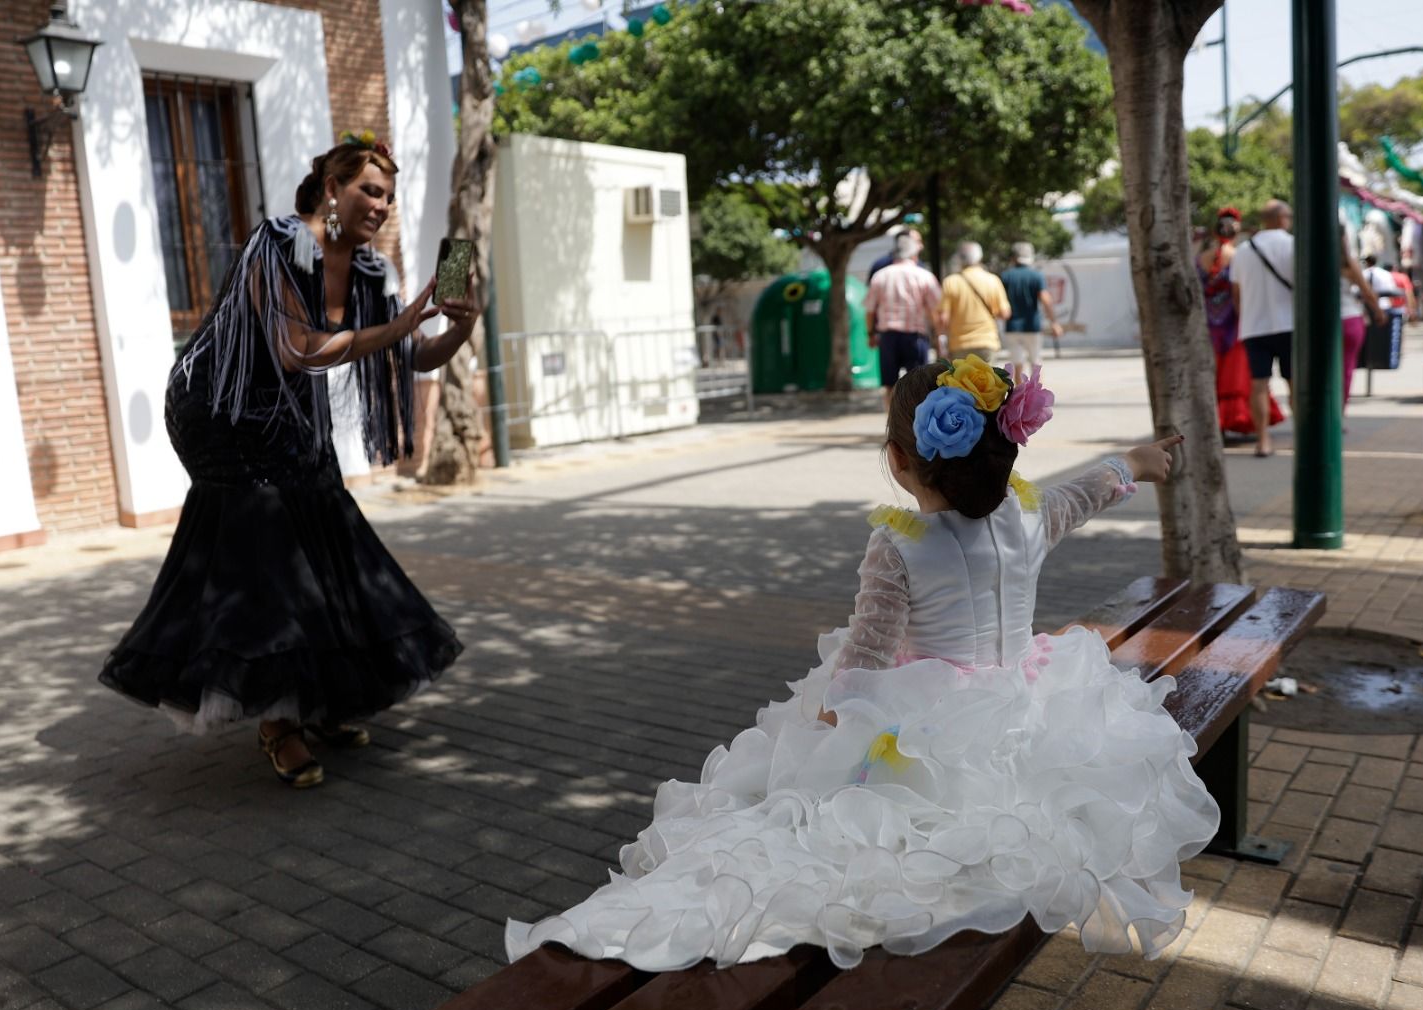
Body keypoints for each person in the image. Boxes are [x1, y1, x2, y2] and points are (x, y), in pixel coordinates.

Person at [505, 357, 1218, 971]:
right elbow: (1088, 490)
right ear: (1006, 451)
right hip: (1029, 704)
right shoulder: (1026, 514)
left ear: (901, 460)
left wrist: (825, 724)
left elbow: (869, 656)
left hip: (930, 720)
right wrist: (1138, 461)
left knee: (830, 818)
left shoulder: (900, 544)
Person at [100, 134, 477, 788]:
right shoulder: (280, 244)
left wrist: (460, 327)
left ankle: (326, 696)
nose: (382, 205)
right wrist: (405, 317)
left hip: (288, 413)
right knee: (273, 552)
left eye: (389, 195)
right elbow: (299, 348)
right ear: (333, 190)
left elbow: (409, 356)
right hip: (220, 409)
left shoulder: (363, 271)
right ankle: (279, 720)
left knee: (330, 531)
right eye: (369, 190)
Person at [1197, 206, 1282, 438]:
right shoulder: (1239, 256)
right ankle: (1243, 421)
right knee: (1239, 376)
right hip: (1234, 326)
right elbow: (1240, 294)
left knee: (1213, 375)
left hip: (1209, 327)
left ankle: (1217, 425)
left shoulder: (1201, 258)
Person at [1230, 199, 1295, 457]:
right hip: (1290, 324)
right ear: (1281, 219)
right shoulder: (1292, 245)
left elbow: (1236, 293)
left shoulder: (1243, 250)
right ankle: (1301, 438)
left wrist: (1245, 317)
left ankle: (1263, 440)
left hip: (1254, 327)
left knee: (1259, 385)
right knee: (1295, 383)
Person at [866, 232, 943, 406]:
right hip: (915, 337)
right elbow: (935, 310)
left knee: (889, 385)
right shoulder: (924, 276)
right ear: (914, 254)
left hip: (888, 337)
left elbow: (870, 310)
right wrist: (938, 335)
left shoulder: (880, 276)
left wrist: (871, 334)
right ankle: (914, 424)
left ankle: (892, 426)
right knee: (919, 385)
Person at [938, 241, 1010, 363]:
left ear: (959, 258)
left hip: (959, 345)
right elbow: (1005, 313)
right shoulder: (992, 280)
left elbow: (943, 319)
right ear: (980, 257)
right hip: (987, 342)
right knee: (988, 380)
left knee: (960, 381)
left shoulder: (950, 282)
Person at [999, 243, 1063, 369]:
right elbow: (1046, 300)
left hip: (1012, 326)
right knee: (1035, 363)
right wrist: (1054, 322)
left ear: (1014, 257)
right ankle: (1036, 389)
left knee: (1017, 365)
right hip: (1032, 325)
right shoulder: (1036, 276)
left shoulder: (1006, 276)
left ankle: (1020, 389)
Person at [1340, 238, 1384, 411]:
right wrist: (1379, 312)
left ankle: (1321, 413)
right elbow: (1367, 292)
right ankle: (1338, 413)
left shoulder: (1308, 258)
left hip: (1318, 322)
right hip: (1349, 318)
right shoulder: (1347, 263)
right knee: (1346, 369)